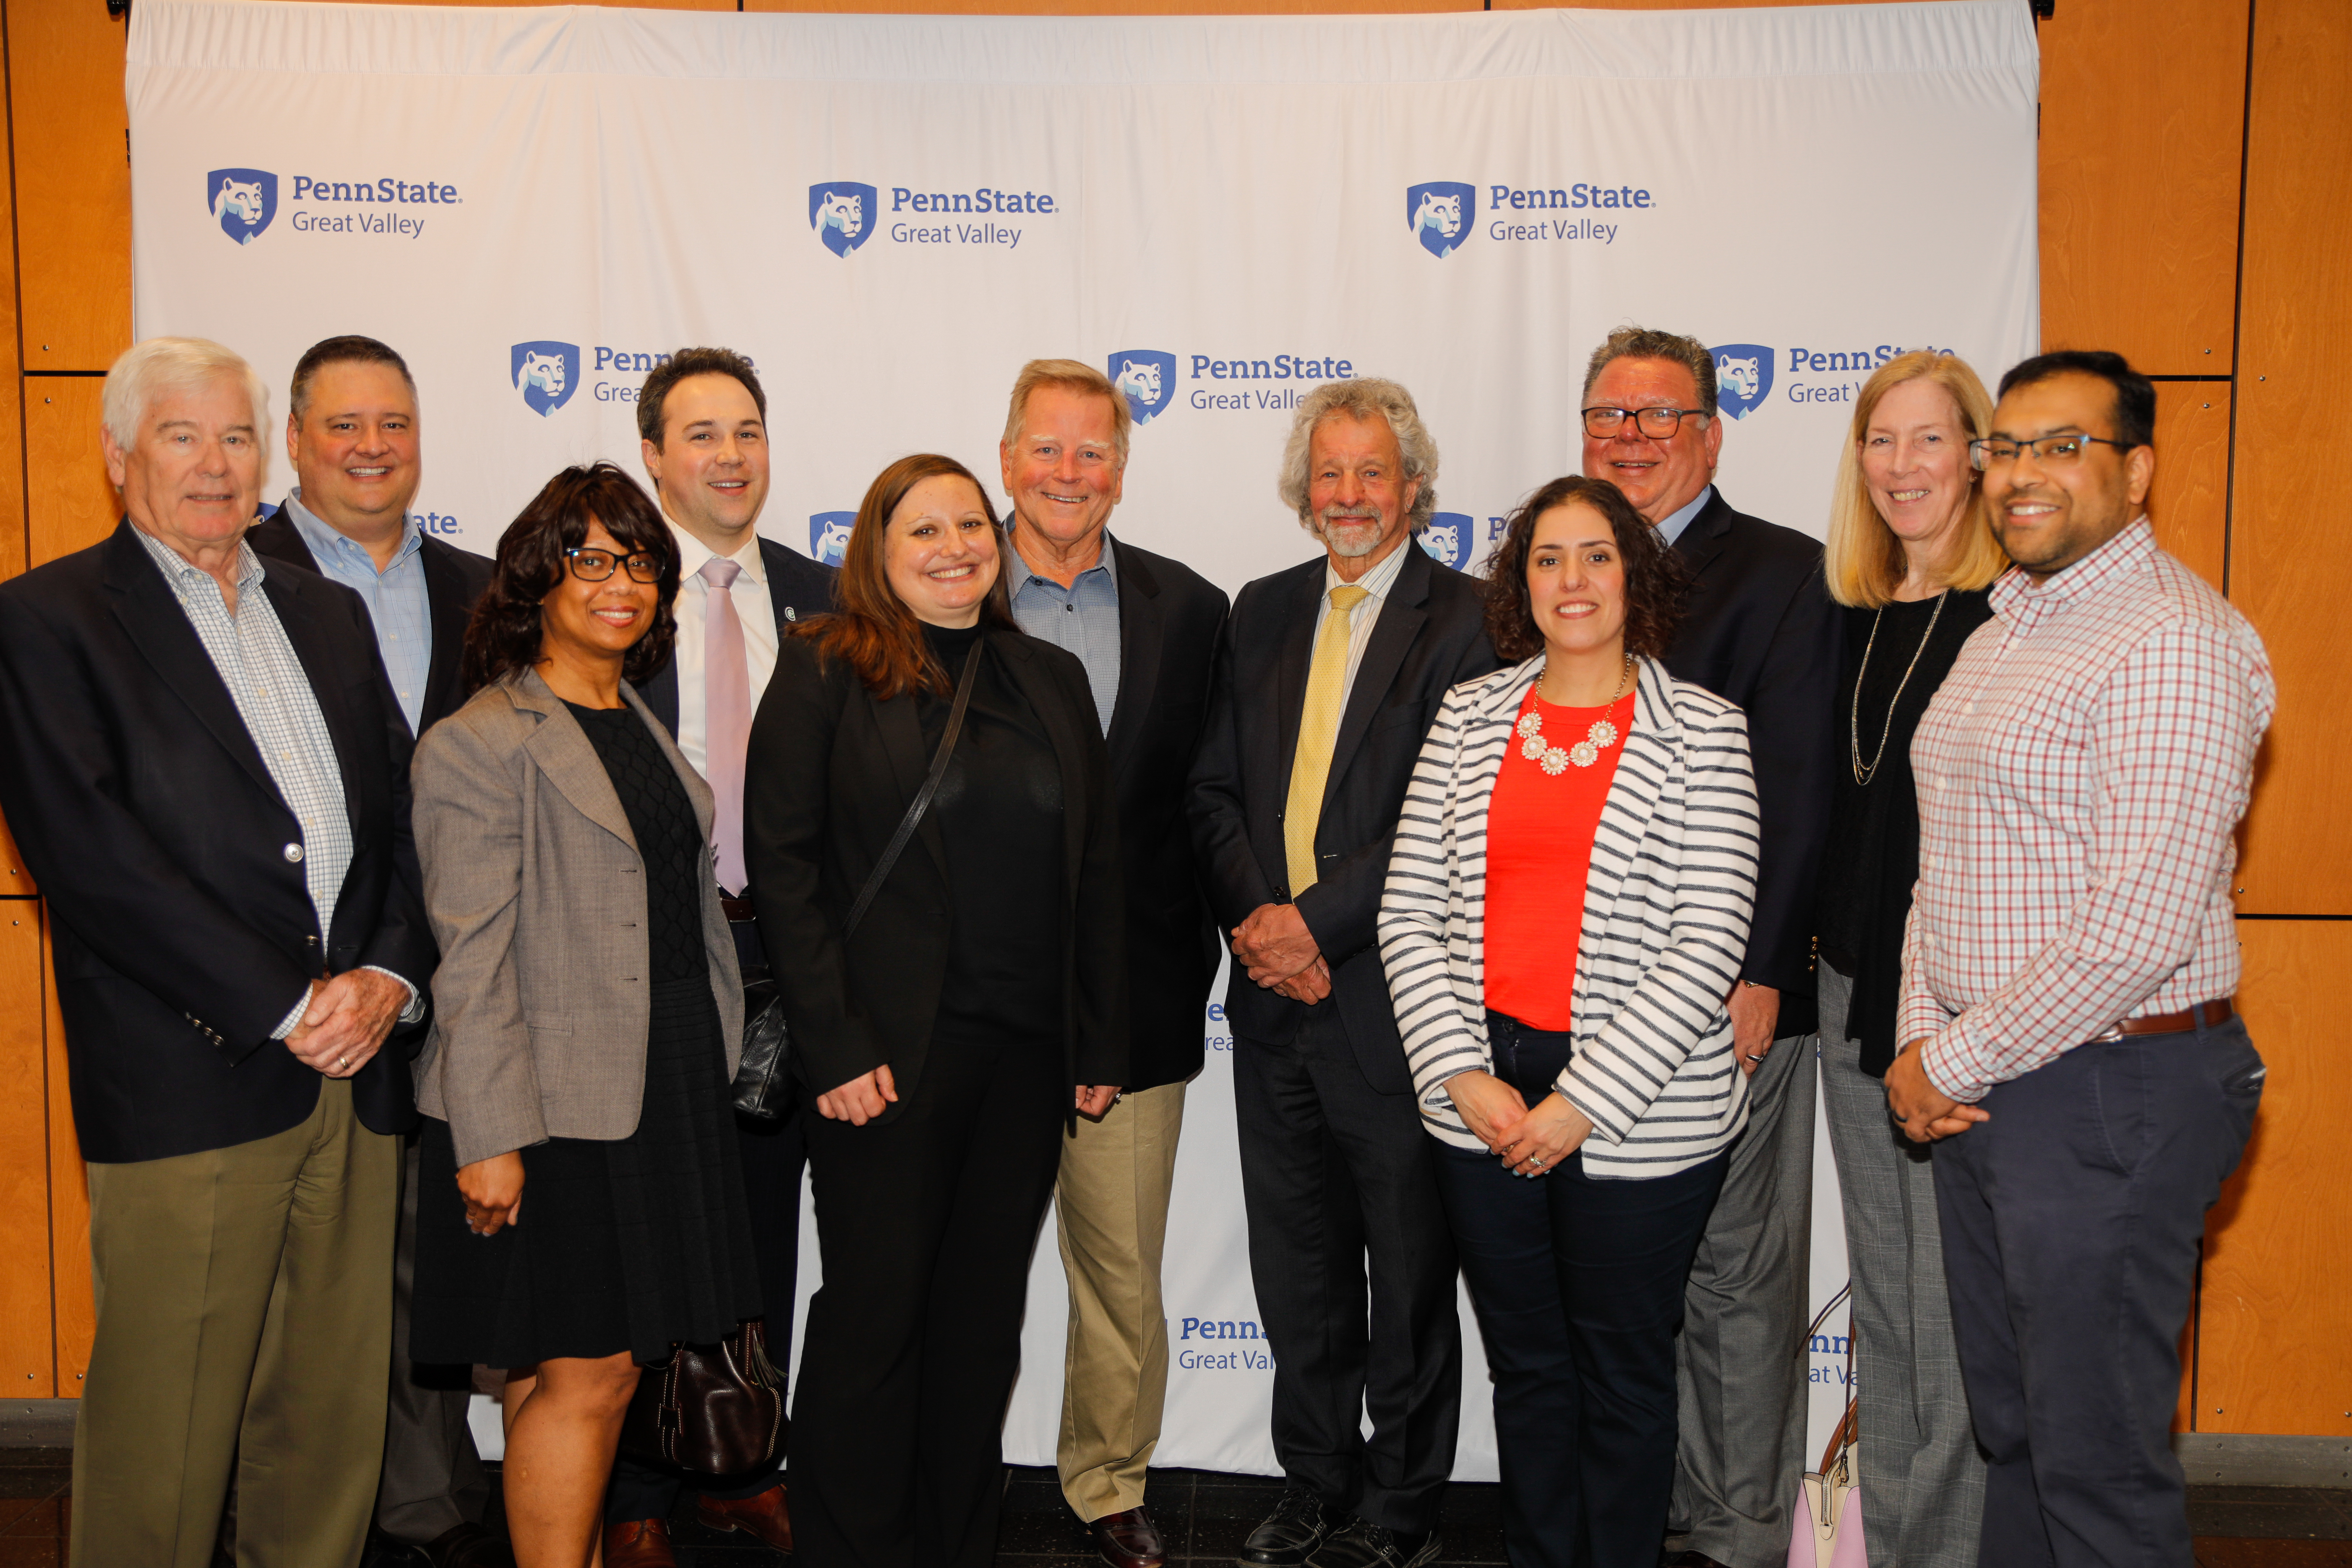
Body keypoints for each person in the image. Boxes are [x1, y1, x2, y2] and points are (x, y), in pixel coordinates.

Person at [0, 336, 432, 1568]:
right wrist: (289, 1002)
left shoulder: (328, 612)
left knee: (327, 1427)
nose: (213, 464)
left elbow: (403, 824)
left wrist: (389, 980)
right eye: (181, 437)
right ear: (119, 455)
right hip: (191, 1082)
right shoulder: (50, 621)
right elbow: (91, 861)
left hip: (357, 1084)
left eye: (235, 438)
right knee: (166, 1445)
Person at [1890, 350, 2273, 1568]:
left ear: (2136, 468)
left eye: (2063, 446)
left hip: (2112, 1090)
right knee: (2019, 1434)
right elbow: (1937, 864)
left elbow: (2140, 924)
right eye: (2007, 447)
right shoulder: (2003, 627)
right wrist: (1919, 1038)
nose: (2022, 473)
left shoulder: (2169, 639)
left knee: (2095, 1459)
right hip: (1992, 1088)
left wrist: (1946, 1059)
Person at [744, 453, 1126, 1568]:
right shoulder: (825, 666)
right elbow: (786, 866)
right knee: (876, 1318)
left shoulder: (1047, 676)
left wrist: (1095, 1038)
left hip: (1022, 1063)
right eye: (924, 530)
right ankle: (853, 1547)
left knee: (979, 1324)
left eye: (969, 524)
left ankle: (953, 1542)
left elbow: (1096, 870)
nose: (955, 546)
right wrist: (835, 1044)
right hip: (885, 1064)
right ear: (878, 547)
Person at [1380, 474, 1760, 1568]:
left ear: (1634, 574)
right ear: (1521, 580)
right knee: (1529, 1367)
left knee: (1622, 1372)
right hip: (1482, 1095)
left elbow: (1706, 944)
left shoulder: (1704, 730)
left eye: (1595, 555)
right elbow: (1407, 909)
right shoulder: (1469, 715)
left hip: (1638, 1114)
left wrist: (1578, 1105)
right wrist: (1462, 1078)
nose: (1571, 580)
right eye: (1547, 558)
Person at [406, 462, 763, 1568]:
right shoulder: (481, 739)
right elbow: (472, 960)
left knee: (559, 1371)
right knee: (588, 1371)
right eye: (592, 558)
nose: (623, 582)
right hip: (552, 1108)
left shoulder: (630, 721)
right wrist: (492, 1138)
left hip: (657, 1088)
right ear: (537, 577)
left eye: (641, 560)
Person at [1189, 379, 1496, 1568]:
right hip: (1270, 1008)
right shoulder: (1257, 611)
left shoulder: (1472, 618)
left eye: (1374, 473)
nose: (1350, 496)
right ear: (1301, 489)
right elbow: (1210, 791)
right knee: (1299, 1268)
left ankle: (1402, 1507)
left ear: (1413, 487)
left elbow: (1448, 815)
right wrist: (1256, 929)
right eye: (1331, 473)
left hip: (1395, 1003)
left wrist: (1316, 926)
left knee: (1411, 1271)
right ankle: (1313, 1482)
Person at [1576, 326, 1840, 1568]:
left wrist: (1761, 971)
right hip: (1576, 1007)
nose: (1628, 437)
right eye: (1608, 415)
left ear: (1711, 434)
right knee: (1621, 1282)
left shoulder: (1784, 572)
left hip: (1725, 997)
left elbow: (1796, 793)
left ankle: (1734, 1533)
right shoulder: (1564, 569)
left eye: (1656, 415)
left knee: (1733, 1275)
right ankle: (1649, 1509)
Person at [243, 332, 506, 1568]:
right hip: (306, 979)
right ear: (294, 439)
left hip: (460, 963)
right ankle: (290, 1520)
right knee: (306, 1277)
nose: (369, 448)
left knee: (430, 1245)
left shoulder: (483, 586)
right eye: (342, 425)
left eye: (392, 424)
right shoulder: (234, 574)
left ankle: (419, 1499)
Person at [603, 346, 836, 1568]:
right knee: (654, 1224)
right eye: (700, 434)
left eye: (745, 430)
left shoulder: (826, 596)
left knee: (765, 1227)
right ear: (654, 454)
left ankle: (744, 1463)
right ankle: (638, 1491)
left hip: (785, 962)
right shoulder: (612, 595)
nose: (729, 456)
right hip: (651, 961)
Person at [995, 358, 1230, 1568]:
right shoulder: (936, 583)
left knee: (1123, 1277)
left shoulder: (1191, 609)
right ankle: (940, 1470)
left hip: (1133, 1008)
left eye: (1092, 453)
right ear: (1006, 460)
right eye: (1046, 449)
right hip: (966, 1012)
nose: (1068, 474)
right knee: (950, 1267)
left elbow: (1208, 802)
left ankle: (1105, 1484)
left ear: (1122, 474)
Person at [1809, 350, 2006, 1567]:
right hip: (1844, 1000)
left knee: (1950, 1317)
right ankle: (1889, 1546)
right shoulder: (1849, 618)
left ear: (1979, 458)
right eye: (1882, 441)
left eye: (1929, 440)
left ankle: (1945, 1552)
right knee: (1885, 1312)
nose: (1901, 467)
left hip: (1944, 1014)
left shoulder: (2010, 617)